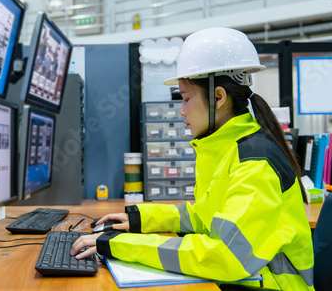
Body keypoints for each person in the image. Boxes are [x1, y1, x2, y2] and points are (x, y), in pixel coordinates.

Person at [71, 28, 314, 290]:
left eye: (186, 99)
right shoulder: (226, 147)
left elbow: (225, 254)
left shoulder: (256, 162)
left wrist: (119, 245)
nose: (182, 110)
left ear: (218, 97)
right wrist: (139, 218)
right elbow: (202, 217)